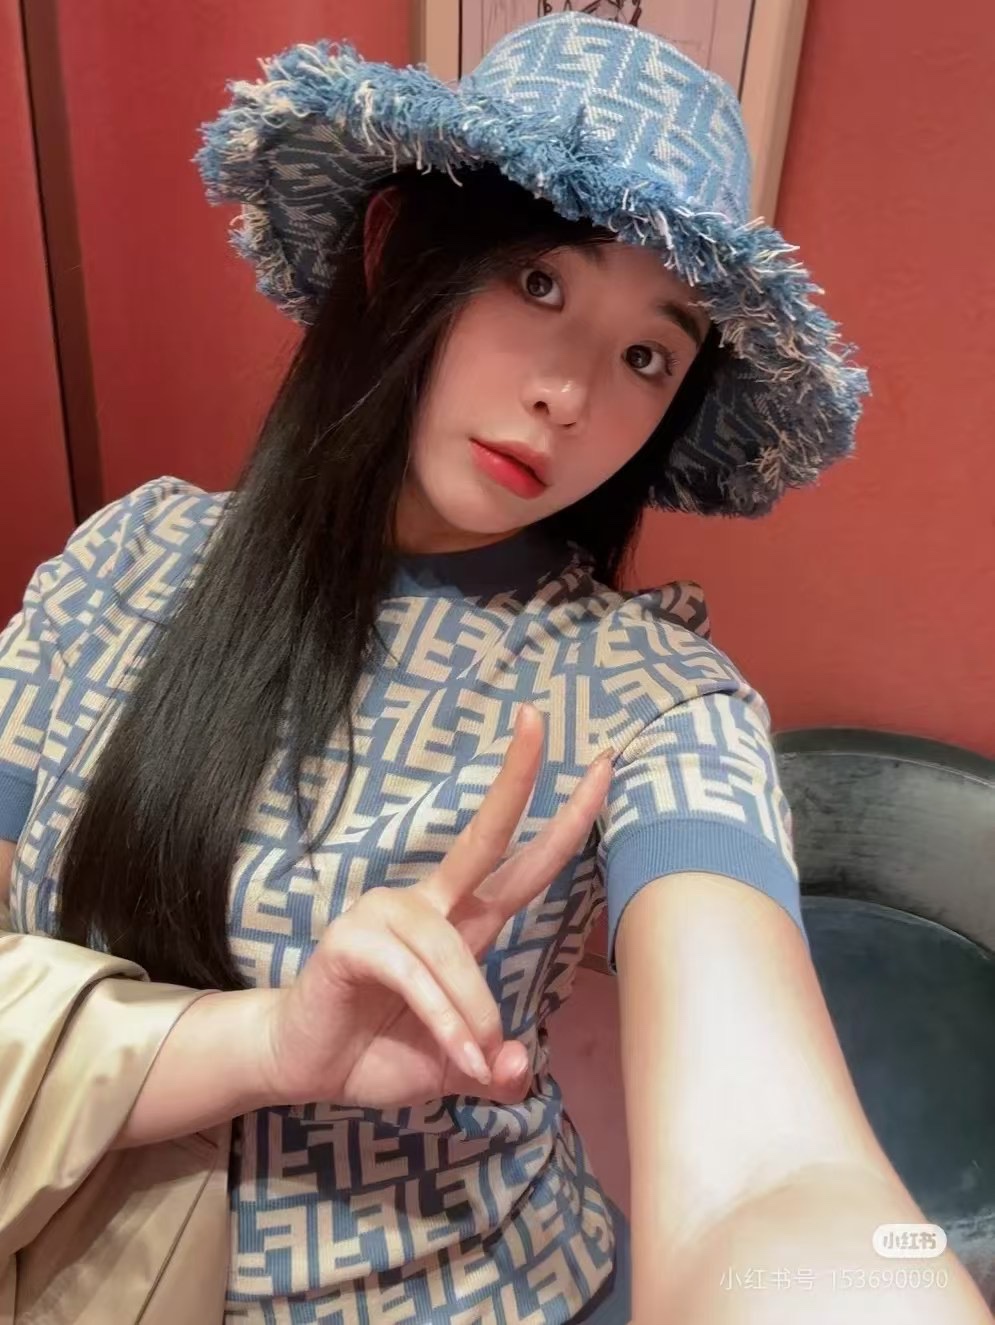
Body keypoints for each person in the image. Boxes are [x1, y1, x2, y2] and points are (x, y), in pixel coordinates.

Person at [0, 11, 989, 1325]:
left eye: (649, 354)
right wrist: (261, 1043)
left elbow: (772, 1172)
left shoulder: (645, 694)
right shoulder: (129, 559)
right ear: (394, 245)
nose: (572, 394)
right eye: (539, 283)